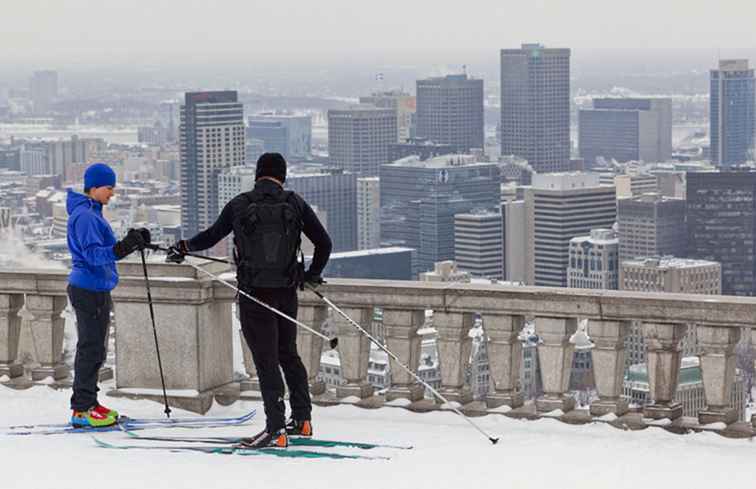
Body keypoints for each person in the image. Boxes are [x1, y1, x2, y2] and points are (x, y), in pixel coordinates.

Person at [166, 152, 332, 448]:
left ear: (257, 174)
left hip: (254, 295)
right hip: (285, 292)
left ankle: (275, 428)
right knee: (288, 355)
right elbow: (324, 243)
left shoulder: (240, 204)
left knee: (266, 360)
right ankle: (303, 420)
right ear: (282, 176)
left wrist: (183, 246)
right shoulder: (295, 203)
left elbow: (211, 236)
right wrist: (310, 275)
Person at [66, 163, 151, 427]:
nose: (112, 193)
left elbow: (103, 249)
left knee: (95, 349)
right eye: (108, 188)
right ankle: (82, 410)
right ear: (94, 187)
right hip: (88, 288)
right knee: (90, 349)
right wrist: (124, 247)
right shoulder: (86, 216)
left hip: (96, 288)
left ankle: (90, 403)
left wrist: (131, 241)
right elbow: (93, 255)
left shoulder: (92, 212)